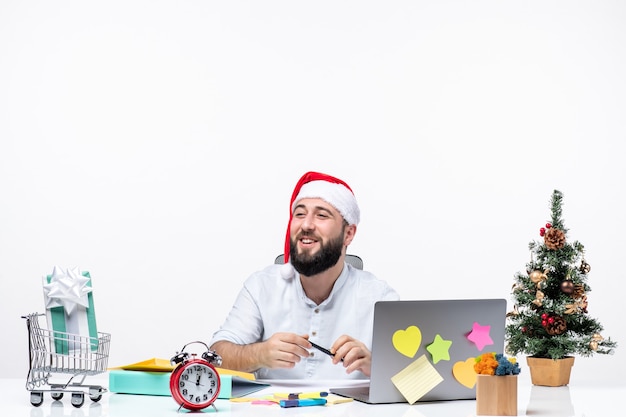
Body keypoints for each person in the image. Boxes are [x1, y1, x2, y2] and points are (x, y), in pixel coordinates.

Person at [209, 171, 399, 379]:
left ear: (349, 234)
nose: (306, 225)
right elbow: (215, 357)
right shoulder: (260, 286)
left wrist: (375, 366)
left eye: (322, 215)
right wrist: (259, 354)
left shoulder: (380, 298)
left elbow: (422, 382)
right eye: (299, 214)